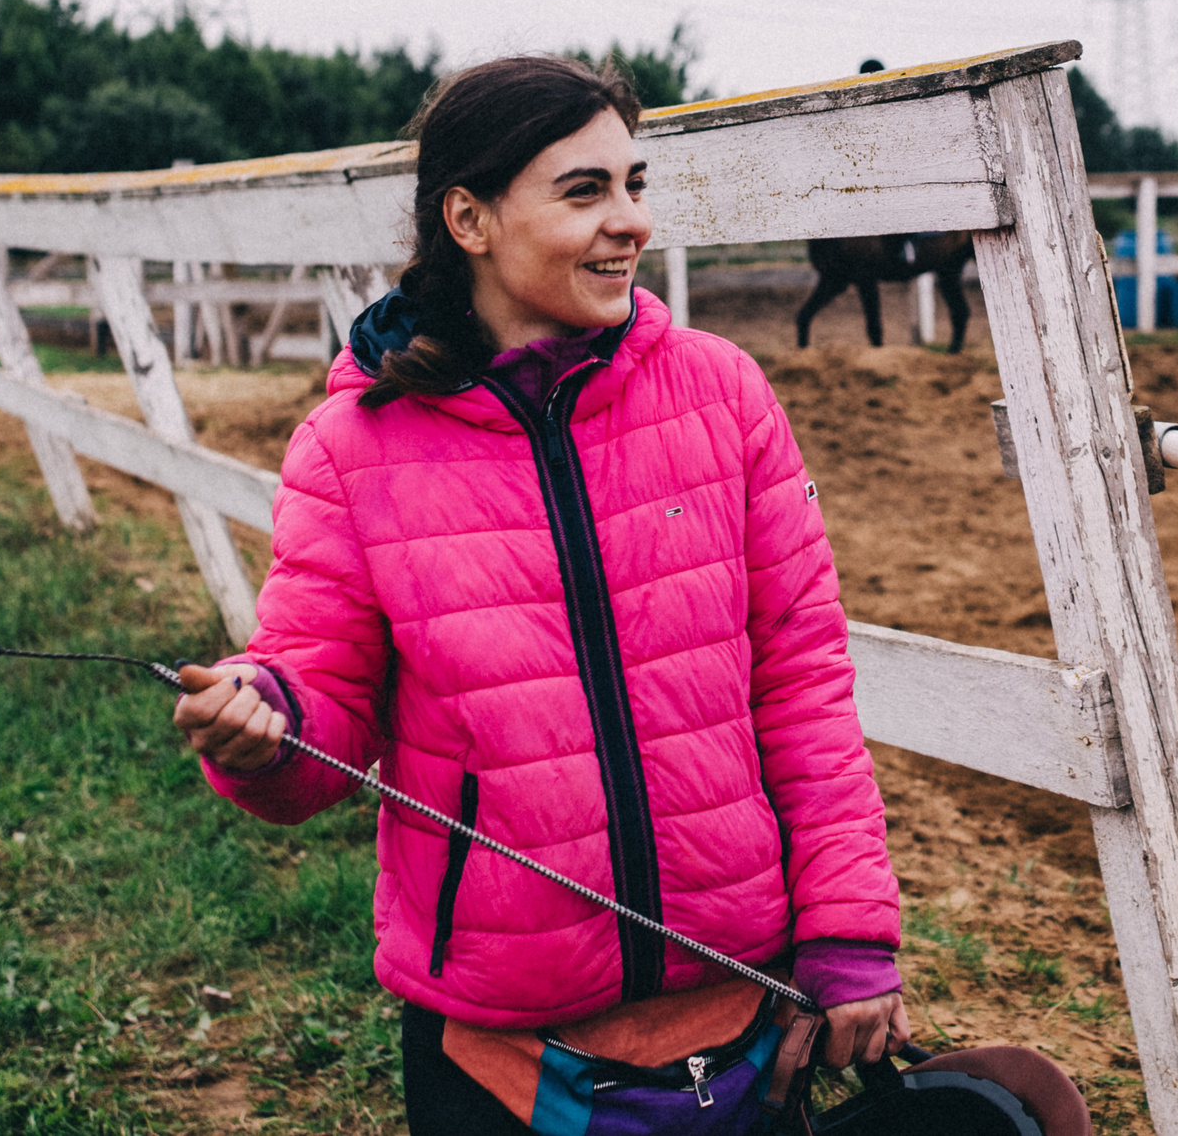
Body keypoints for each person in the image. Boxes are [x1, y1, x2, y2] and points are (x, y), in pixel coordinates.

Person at [171, 55, 908, 1133]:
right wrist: (264, 725)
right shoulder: (350, 448)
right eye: (583, 191)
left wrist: (847, 931)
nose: (630, 223)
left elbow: (803, 681)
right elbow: (320, 704)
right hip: (496, 1049)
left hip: (745, 1024)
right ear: (468, 218)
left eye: (633, 184)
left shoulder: (724, 396)